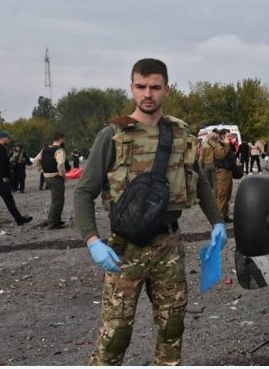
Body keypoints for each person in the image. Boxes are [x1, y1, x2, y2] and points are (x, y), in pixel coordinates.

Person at [73, 58, 226, 366]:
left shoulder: (180, 134)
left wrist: (218, 223)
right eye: (141, 87)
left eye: (155, 87)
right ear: (131, 88)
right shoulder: (113, 135)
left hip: (168, 246)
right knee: (115, 334)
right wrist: (92, 241)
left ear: (166, 89)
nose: (148, 94)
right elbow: (84, 191)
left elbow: (200, 182)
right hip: (124, 249)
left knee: (172, 327)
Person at [0, 131, 33, 231]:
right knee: (8, 199)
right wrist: (6, 176)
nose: (9, 140)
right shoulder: (0, 149)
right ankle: (19, 220)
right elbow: (2, 164)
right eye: (8, 138)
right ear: (3, 138)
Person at [33, 132, 68, 230]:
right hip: (56, 178)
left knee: (56, 200)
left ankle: (55, 219)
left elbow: (35, 161)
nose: (64, 141)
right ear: (61, 139)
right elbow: (61, 164)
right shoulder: (59, 150)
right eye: (64, 139)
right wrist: (63, 176)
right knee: (58, 201)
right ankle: (53, 222)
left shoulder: (44, 149)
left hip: (47, 177)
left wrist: (42, 170)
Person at [213, 129, 234, 222]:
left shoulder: (226, 145)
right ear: (222, 136)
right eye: (228, 136)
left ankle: (225, 215)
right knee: (222, 194)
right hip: (222, 172)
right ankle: (218, 218)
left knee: (227, 195)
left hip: (228, 171)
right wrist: (227, 144)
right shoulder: (218, 145)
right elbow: (221, 155)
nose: (230, 138)